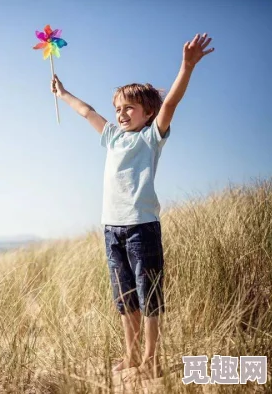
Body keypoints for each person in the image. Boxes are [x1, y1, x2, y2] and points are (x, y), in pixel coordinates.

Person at [51, 33, 214, 379]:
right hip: (111, 228)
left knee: (148, 295)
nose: (121, 113)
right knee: (125, 299)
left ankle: (152, 360)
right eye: (118, 108)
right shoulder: (111, 136)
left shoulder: (150, 137)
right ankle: (132, 355)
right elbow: (87, 112)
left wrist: (186, 67)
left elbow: (170, 104)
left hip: (141, 227)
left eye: (129, 108)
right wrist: (63, 94)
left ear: (147, 112)